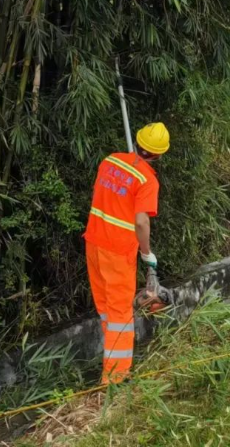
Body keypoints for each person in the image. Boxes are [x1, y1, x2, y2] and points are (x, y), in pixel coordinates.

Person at [83, 122, 170, 384]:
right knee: (121, 316)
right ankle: (115, 380)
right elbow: (141, 222)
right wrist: (147, 254)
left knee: (107, 310)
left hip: (94, 242)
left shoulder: (110, 161)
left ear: (137, 141)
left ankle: (111, 367)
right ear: (159, 154)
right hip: (118, 251)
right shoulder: (147, 180)